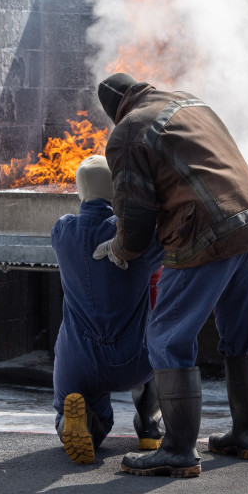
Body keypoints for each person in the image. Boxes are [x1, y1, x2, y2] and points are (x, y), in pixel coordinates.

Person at [94, 73, 248, 478]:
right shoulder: (188, 102)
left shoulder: (128, 132)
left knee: (166, 337)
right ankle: (245, 436)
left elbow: (137, 212)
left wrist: (119, 248)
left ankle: (179, 450)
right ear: (139, 88)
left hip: (207, 233)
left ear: (114, 110)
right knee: (240, 336)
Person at [51, 154, 165, 465]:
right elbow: (167, 249)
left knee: (74, 408)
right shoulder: (135, 236)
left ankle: (79, 421)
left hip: (77, 359)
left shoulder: (62, 232)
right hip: (133, 360)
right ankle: (150, 429)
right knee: (160, 344)